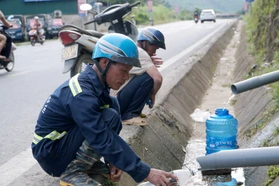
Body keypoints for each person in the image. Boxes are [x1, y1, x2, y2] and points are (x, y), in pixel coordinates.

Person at [31, 33, 177, 186]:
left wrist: (112, 160)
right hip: (51, 153)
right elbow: (99, 136)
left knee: (112, 110)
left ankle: (84, 165)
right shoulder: (82, 93)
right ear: (105, 62)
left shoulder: (97, 87)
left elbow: (108, 134)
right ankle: (72, 173)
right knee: (106, 118)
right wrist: (145, 172)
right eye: (124, 71)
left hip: (63, 144)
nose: (126, 77)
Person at [114, 27, 165, 125]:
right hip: (117, 100)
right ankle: (129, 115)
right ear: (145, 42)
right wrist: (152, 94)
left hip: (115, 100)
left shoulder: (134, 50)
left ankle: (132, 112)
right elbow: (158, 79)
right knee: (149, 79)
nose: (154, 52)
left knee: (145, 76)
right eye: (154, 48)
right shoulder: (141, 53)